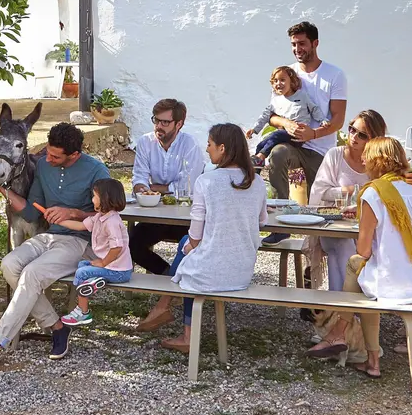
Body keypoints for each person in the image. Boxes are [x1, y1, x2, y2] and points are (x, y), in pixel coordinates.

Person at [0, 123, 111, 368]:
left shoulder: (97, 171)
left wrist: (74, 213)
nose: (47, 159)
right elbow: (30, 211)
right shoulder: (43, 166)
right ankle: (57, 327)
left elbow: (110, 216)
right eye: (47, 152)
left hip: (80, 242)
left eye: (55, 156)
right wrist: (0, 188)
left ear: (74, 154)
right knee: (9, 264)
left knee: (31, 273)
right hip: (49, 237)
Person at [307, 136, 412, 379]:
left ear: (378, 161)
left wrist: (362, 219)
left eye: (367, 156)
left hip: (395, 285)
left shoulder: (373, 193)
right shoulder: (411, 191)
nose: (362, 160)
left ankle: (340, 331)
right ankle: (369, 360)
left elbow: (364, 250)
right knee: (363, 279)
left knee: (356, 266)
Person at [137, 123, 268, 352]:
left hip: (211, 274)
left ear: (222, 148)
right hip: (243, 270)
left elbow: (195, 236)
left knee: (189, 257)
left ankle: (180, 325)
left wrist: (190, 248)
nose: (207, 149)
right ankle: (164, 306)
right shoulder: (256, 182)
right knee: (187, 250)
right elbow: (262, 222)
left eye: (209, 144)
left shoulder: (206, 181)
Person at [262, 20, 348, 245]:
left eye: (302, 43)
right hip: (292, 145)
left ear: (315, 43)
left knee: (318, 214)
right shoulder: (286, 74)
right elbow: (271, 115)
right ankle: (280, 223)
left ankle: (325, 245)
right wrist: (285, 123)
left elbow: (338, 119)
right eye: (293, 44)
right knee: (278, 153)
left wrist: (314, 134)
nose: (297, 49)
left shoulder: (334, 75)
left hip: (320, 151)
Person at [307, 109, 387, 291]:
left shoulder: (378, 163)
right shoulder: (335, 155)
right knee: (343, 244)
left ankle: (340, 303)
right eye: (352, 129)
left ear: (374, 139)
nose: (354, 137)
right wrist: (349, 191)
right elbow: (320, 192)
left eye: (362, 135)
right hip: (334, 225)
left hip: (367, 228)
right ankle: (352, 301)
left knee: (353, 249)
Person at [129, 99, 205, 274]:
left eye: (165, 122)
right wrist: (141, 188)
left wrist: (155, 188)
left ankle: (183, 278)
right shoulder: (145, 142)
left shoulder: (190, 145)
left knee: (195, 246)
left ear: (179, 124)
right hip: (156, 213)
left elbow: (187, 186)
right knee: (131, 244)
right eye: (156, 120)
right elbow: (139, 177)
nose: (158, 126)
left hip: (185, 214)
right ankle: (166, 274)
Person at [58, 179, 133, 326]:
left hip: (119, 271)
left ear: (105, 198)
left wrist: (103, 263)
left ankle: (83, 312)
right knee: (82, 265)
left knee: (81, 273)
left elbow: (117, 248)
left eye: (94, 196)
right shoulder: (100, 217)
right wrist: (59, 221)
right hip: (112, 268)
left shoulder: (111, 222)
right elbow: (81, 226)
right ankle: (94, 283)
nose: (92, 199)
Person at [246, 65, 325, 167]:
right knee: (261, 144)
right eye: (275, 81)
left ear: (291, 82)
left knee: (276, 135)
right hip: (284, 133)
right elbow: (265, 115)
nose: (278, 83)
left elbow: (314, 108)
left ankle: (260, 157)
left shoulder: (301, 96)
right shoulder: (276, 101)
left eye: (282, 80)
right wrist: (254, 129)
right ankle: (256, 169)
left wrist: (322, 120)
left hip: (298, 134)